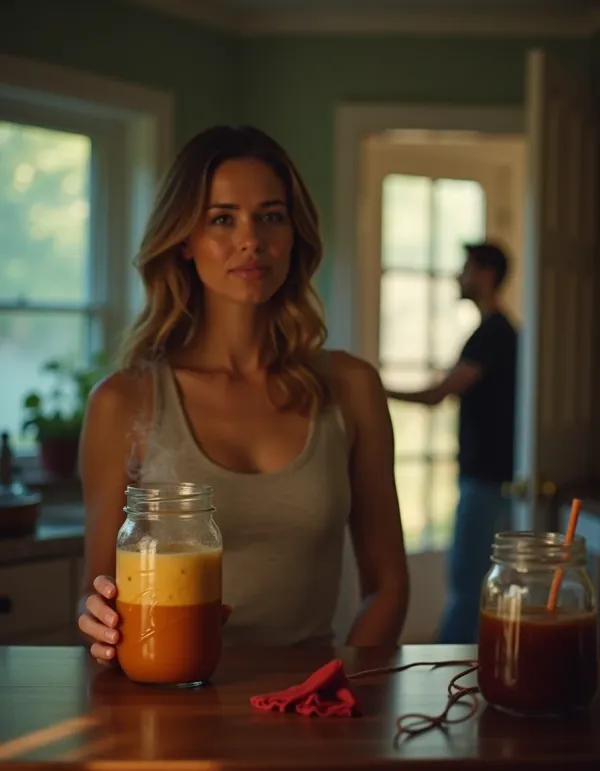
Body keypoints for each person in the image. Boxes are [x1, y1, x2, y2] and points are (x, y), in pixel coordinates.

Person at [77, 124, 409, 665]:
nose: (251, 239)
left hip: (310, 708)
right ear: (184, 239)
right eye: (222, 218)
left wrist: (340, 684)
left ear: (294, 233)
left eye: (271, 216)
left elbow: (388, 584)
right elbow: (99, 590)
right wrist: (99, 620)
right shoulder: (123, 402)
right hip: (168, 697)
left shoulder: (351, 388)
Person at [388, 242, 517, 644]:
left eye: (466, 268)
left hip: (487, 477)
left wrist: (373, 389)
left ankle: (443, 674)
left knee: (468, 583)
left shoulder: (494, 335)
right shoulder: (490, 333)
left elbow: (438, 393)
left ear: (486, 274)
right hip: (485, 476)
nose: (459, 277)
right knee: (470, 580)